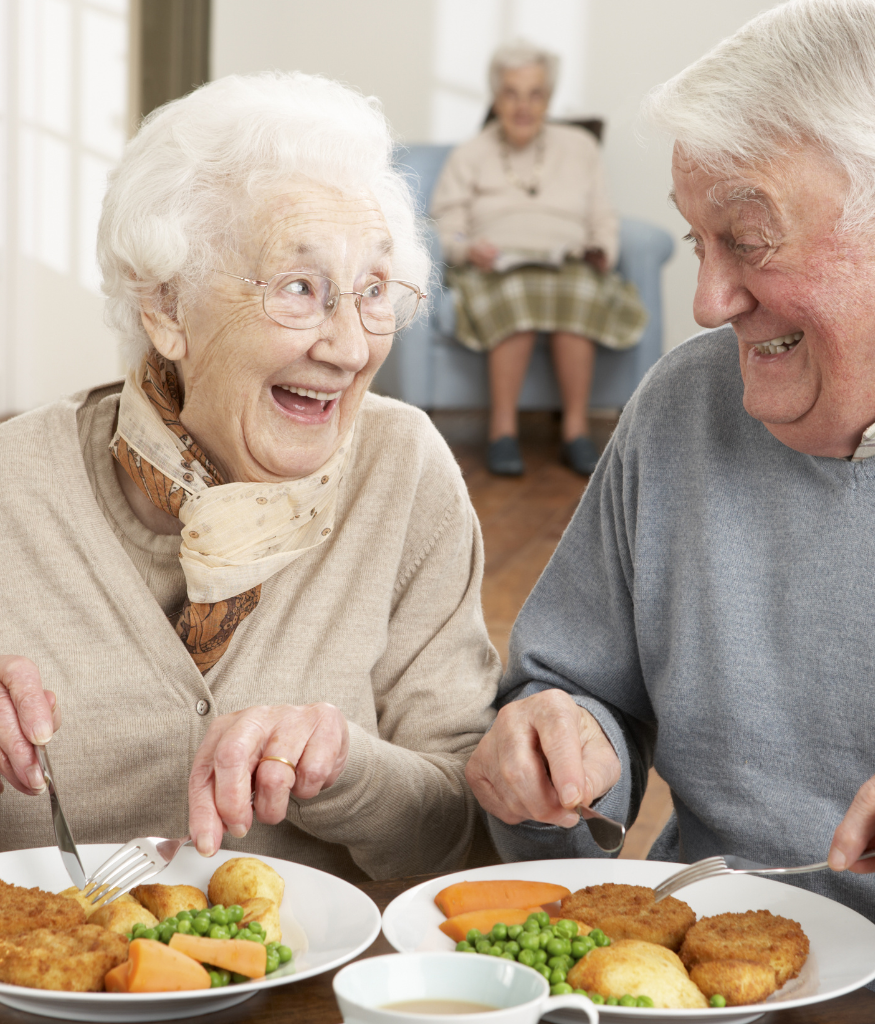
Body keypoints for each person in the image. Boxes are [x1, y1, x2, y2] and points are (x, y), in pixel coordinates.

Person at [464, 1, 875, 1020]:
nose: (706, 300)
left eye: (750, 242)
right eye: (696, 240)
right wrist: (550, 746)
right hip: (692, 998)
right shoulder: (681, 405)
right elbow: (566, 685)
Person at [0, 72, 502, 883]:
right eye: (299, 289)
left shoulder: (402, 471)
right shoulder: (13, 486)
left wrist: (347, 770)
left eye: (373, 291)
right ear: (165, 306)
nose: (347, 347)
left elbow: (458, 838)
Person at [431, 42, 647, 477]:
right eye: (511, 93)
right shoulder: (469, 154)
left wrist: (602, 249)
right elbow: (445, 224)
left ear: (548, 99)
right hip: (496, 265)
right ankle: (502, 432)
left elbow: (603, 215)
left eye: (535, 94)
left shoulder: (580, 147)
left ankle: (575, 432)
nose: (523, 106)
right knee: (516, 293)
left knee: (580, 290)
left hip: (566, 260)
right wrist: (467, 247)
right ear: (496, 98)